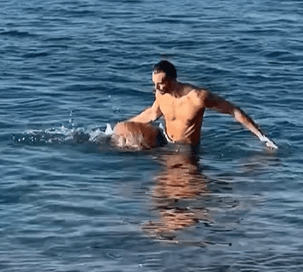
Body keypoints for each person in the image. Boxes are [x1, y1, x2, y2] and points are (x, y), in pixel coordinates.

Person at [112, 60, 277, 150]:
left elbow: (233, 110)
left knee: (178, 187)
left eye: (160, 83)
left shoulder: (198, 97)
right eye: (154, 83)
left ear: (172, 80)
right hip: (165, 138)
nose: (156, 88)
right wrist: (126, 123)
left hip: (185, 149)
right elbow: (152, 114)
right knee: (121, 130)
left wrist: (262, 137)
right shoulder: (161, 93)